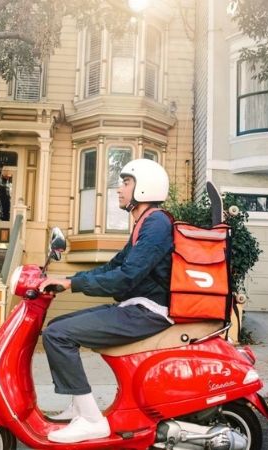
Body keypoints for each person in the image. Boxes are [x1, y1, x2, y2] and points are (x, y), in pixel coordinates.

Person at [37, 158, 174, 444]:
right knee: (58, 325)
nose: (119, 189)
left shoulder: (157, 224)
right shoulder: (144, 223)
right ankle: (80, 407)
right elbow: (113, 267)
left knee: (58, 334)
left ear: (145, 188)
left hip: (148, 311)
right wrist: (68, 280)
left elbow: (126, 277)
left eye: (126, 183)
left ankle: (91, 420)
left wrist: (73, 283)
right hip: (135, 307)